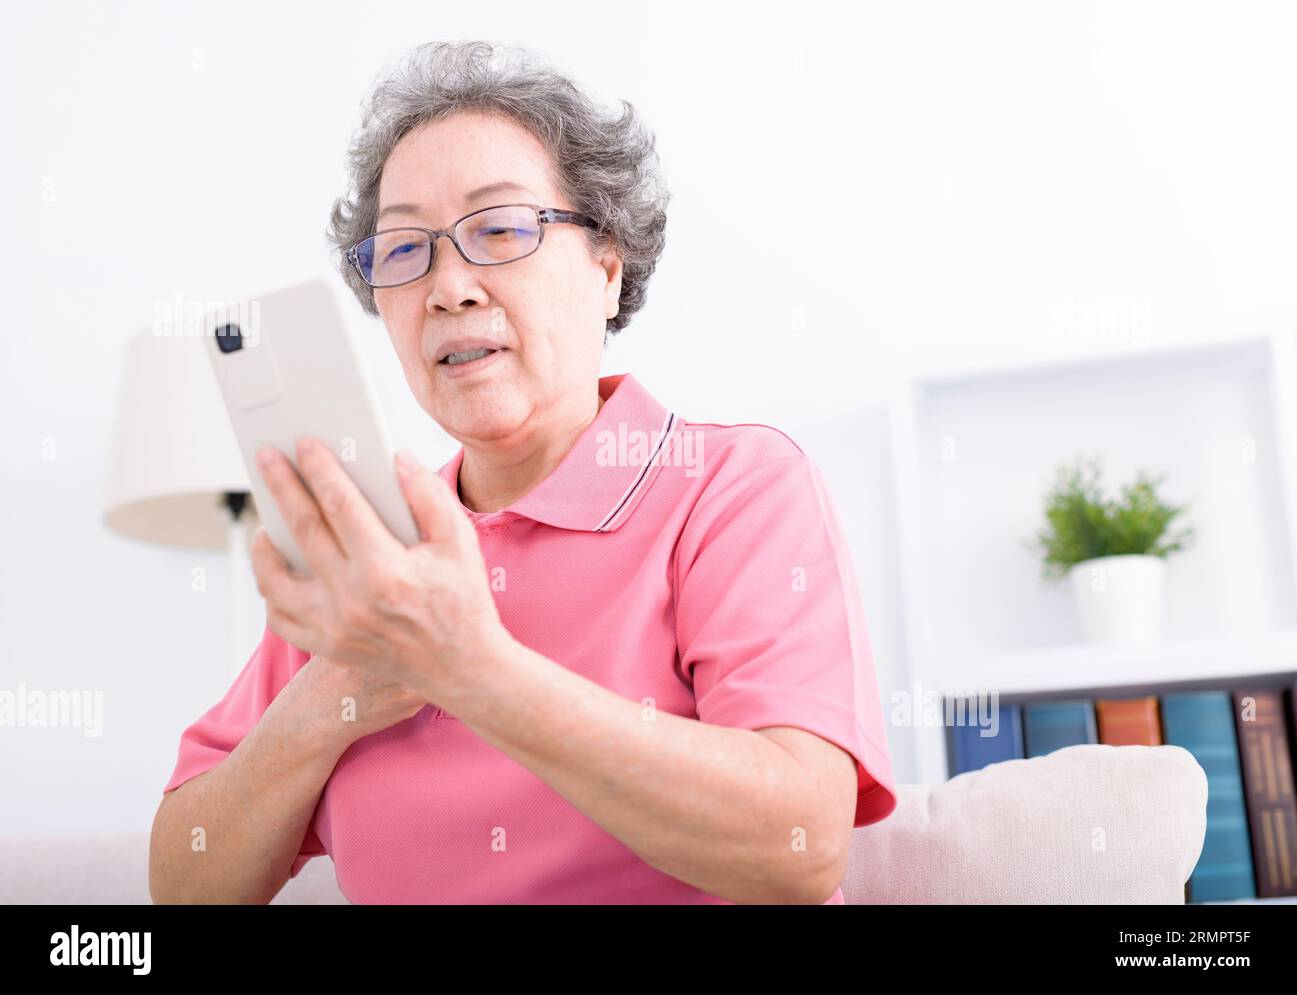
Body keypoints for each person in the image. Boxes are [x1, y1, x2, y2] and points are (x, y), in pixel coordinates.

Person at [149, 39, 896, 905]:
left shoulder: (733, 487)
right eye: (403, 252)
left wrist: (467, 665)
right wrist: (329, 702)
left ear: (606, 269)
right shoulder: (371, 550)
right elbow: (184, 881)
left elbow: (798, 846)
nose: (449, 287)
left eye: (500, 229)